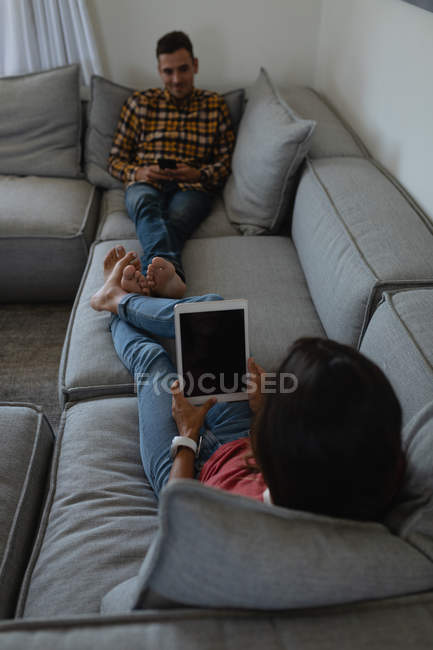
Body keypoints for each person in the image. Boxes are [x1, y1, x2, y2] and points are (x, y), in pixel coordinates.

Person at [91, 247, 406, 522]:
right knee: (213, 313)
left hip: (190, 470)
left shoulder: (248, 521)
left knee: (152, 359)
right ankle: (121, 300)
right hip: (242, 437)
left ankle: (115, 302)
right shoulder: (355, 468)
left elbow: (178, 513)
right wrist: (265, 405)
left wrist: (188, 437)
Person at [108, 30, 235, 299]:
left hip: (193, 186)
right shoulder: (139, 103)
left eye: (183, 69)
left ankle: (149, 279)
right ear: (159, 70)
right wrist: (139, 171)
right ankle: (170, 278)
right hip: (146, 181)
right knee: (145, 205)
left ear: (195, 65)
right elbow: (115, 160)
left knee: (175, 219)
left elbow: (225, 164)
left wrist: (198, 172)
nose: (176, 79)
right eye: (168, 72)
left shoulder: (215, 105)